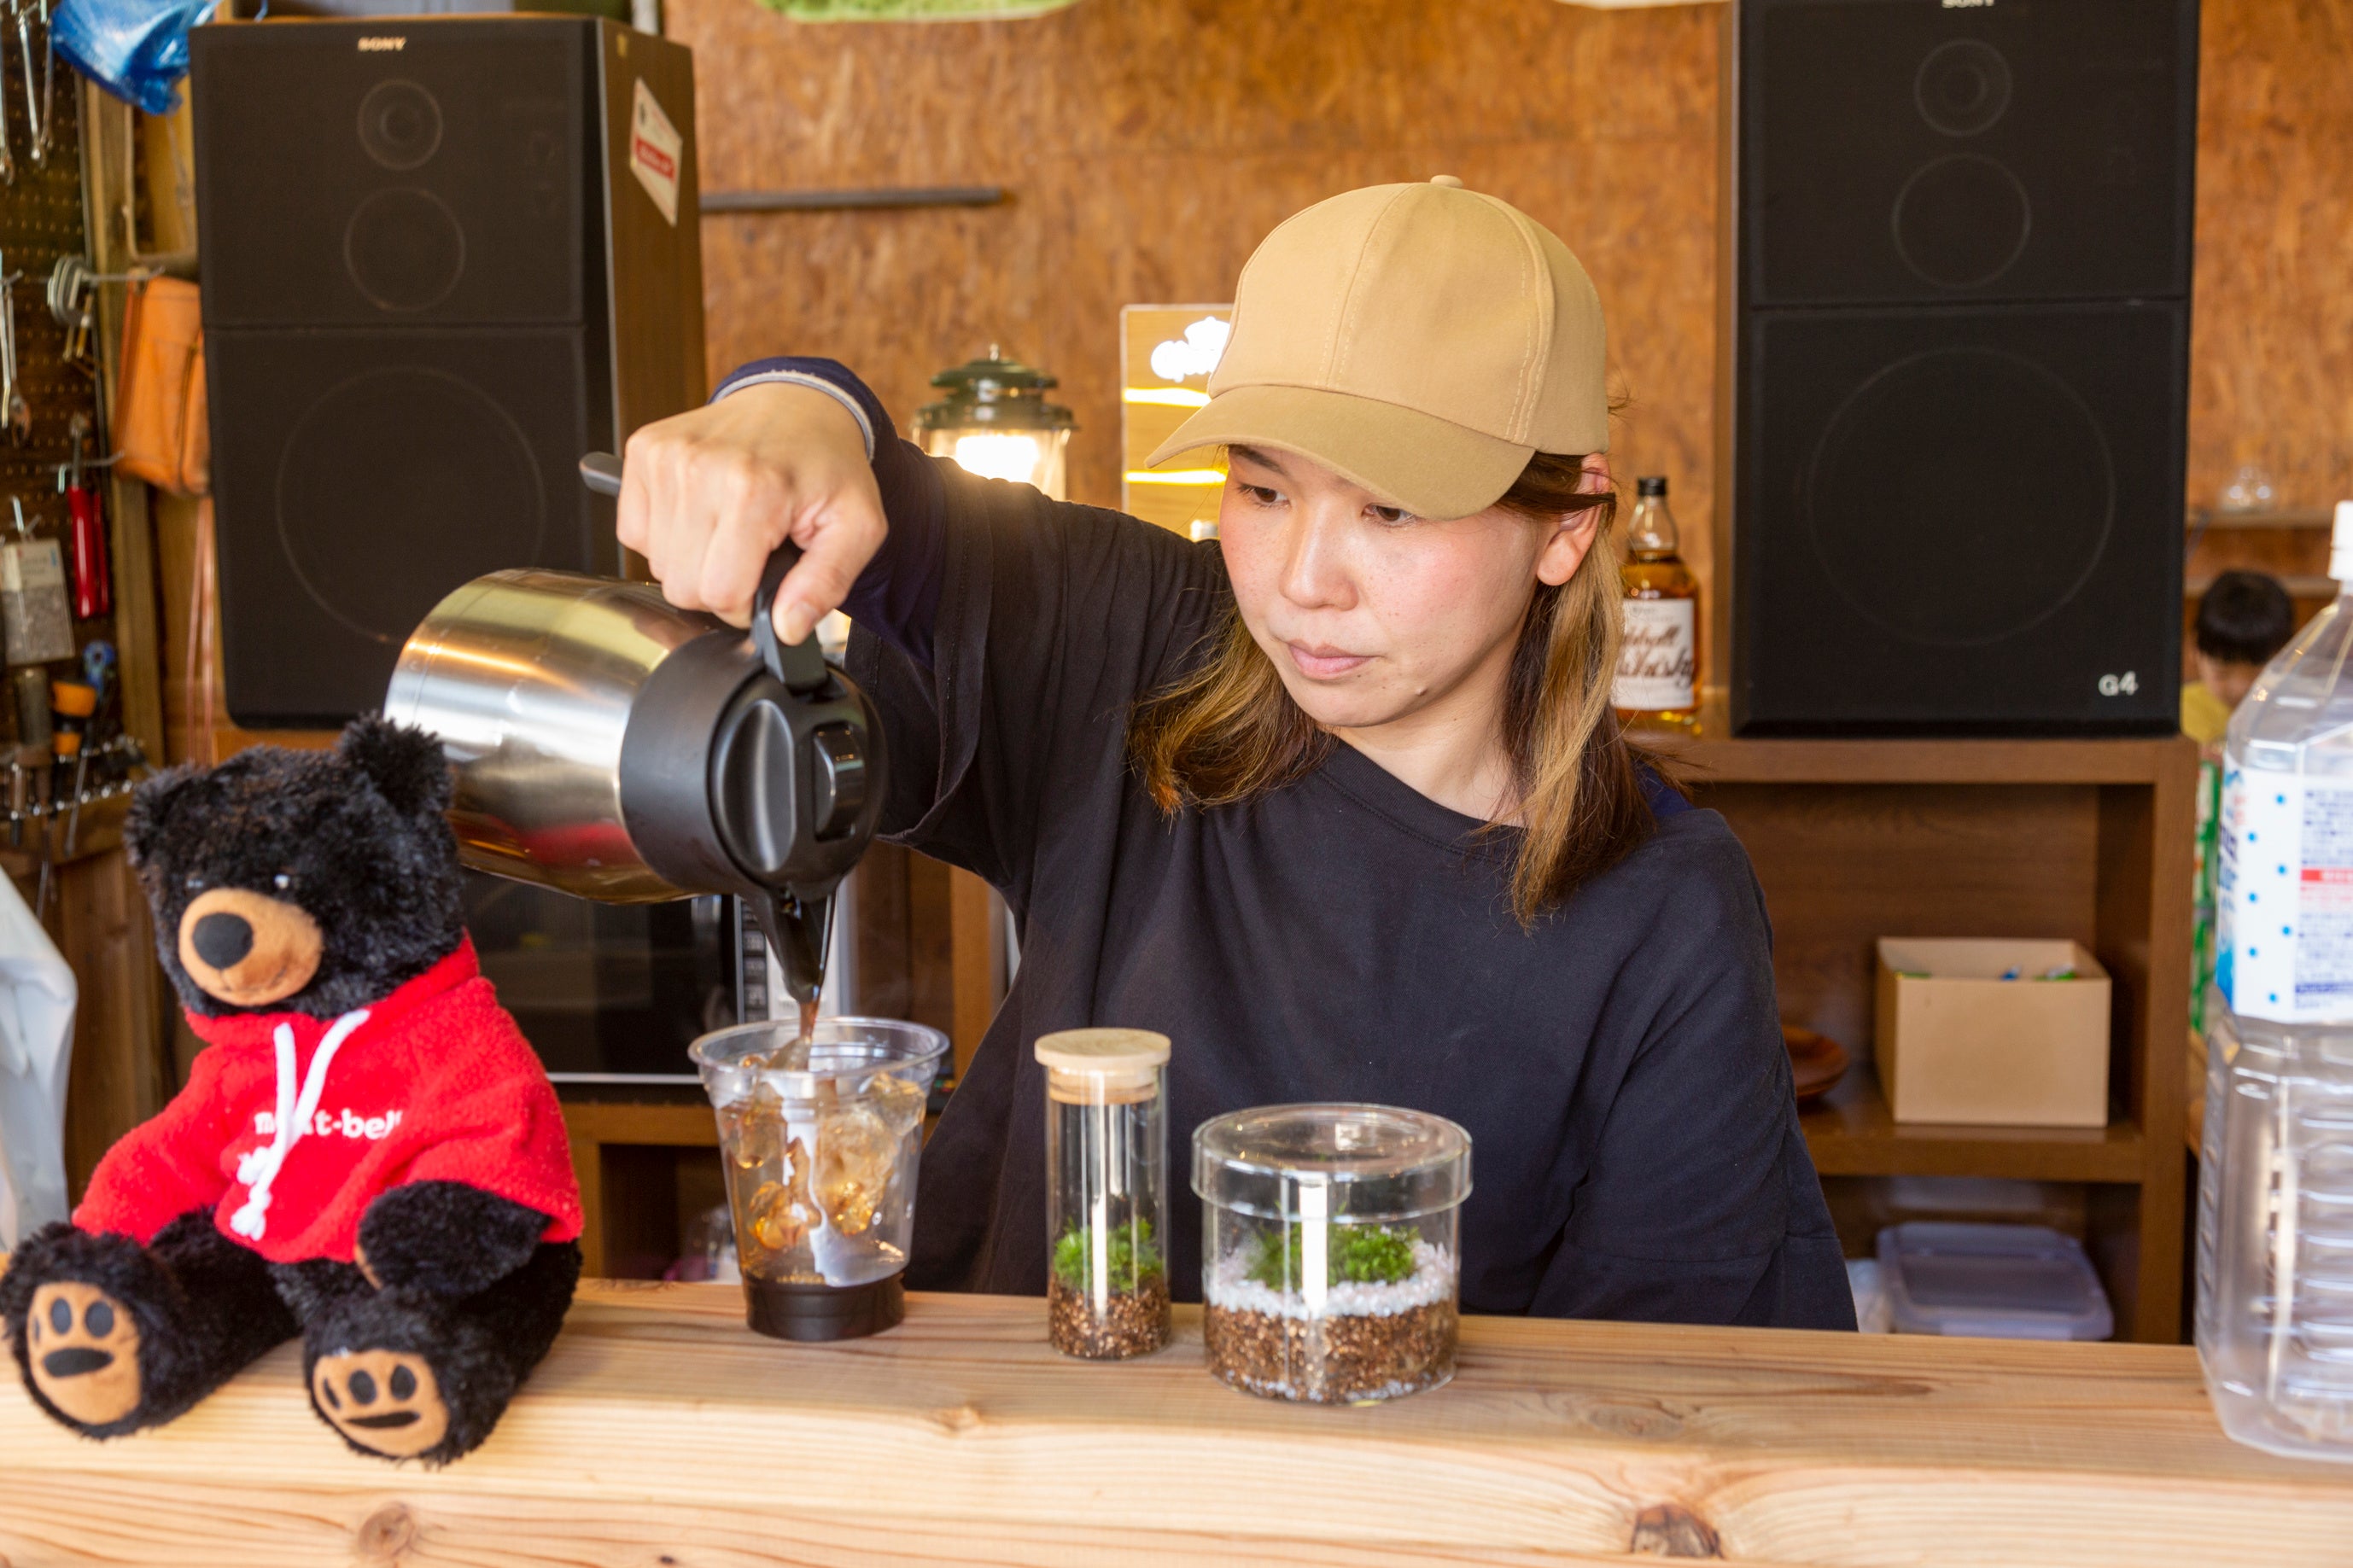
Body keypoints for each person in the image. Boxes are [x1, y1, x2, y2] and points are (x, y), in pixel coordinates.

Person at [619, 178, 1853, 1328]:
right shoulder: (1151, 640)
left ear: (1569, 527)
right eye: (1263, 492)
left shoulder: (1665, 913)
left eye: (1392, 508)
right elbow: (883, 498)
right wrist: (785, 410)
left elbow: (1666, 1406)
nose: (1305, 582)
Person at [2182, 569, 2295, 749]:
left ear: (2289, 653)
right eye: (2222, 673)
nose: (2241, 687)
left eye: (2259, 671)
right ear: (2195, 648)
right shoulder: (2180, 717)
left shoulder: (2300, 713)